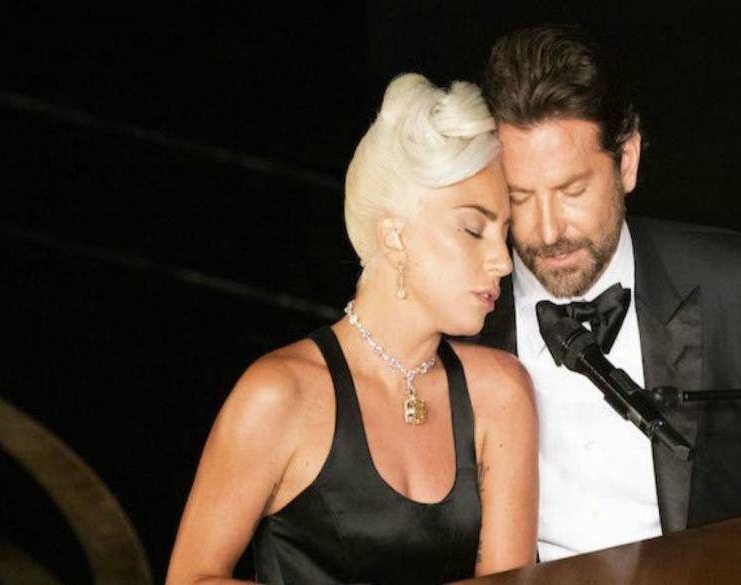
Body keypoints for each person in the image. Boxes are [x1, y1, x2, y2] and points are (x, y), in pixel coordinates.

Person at [470, 24, 741, 561]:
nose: (549, 230)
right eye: (520, 197)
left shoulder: (733, 287)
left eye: (572, 190)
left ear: (627, 160)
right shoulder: (462, 317)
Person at [166, 73, 538, 585]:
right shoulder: (280, 395)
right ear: (393, 235)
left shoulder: (501, 393)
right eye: (473, 229)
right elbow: (190, 579)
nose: (502, 260)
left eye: (505, 232)